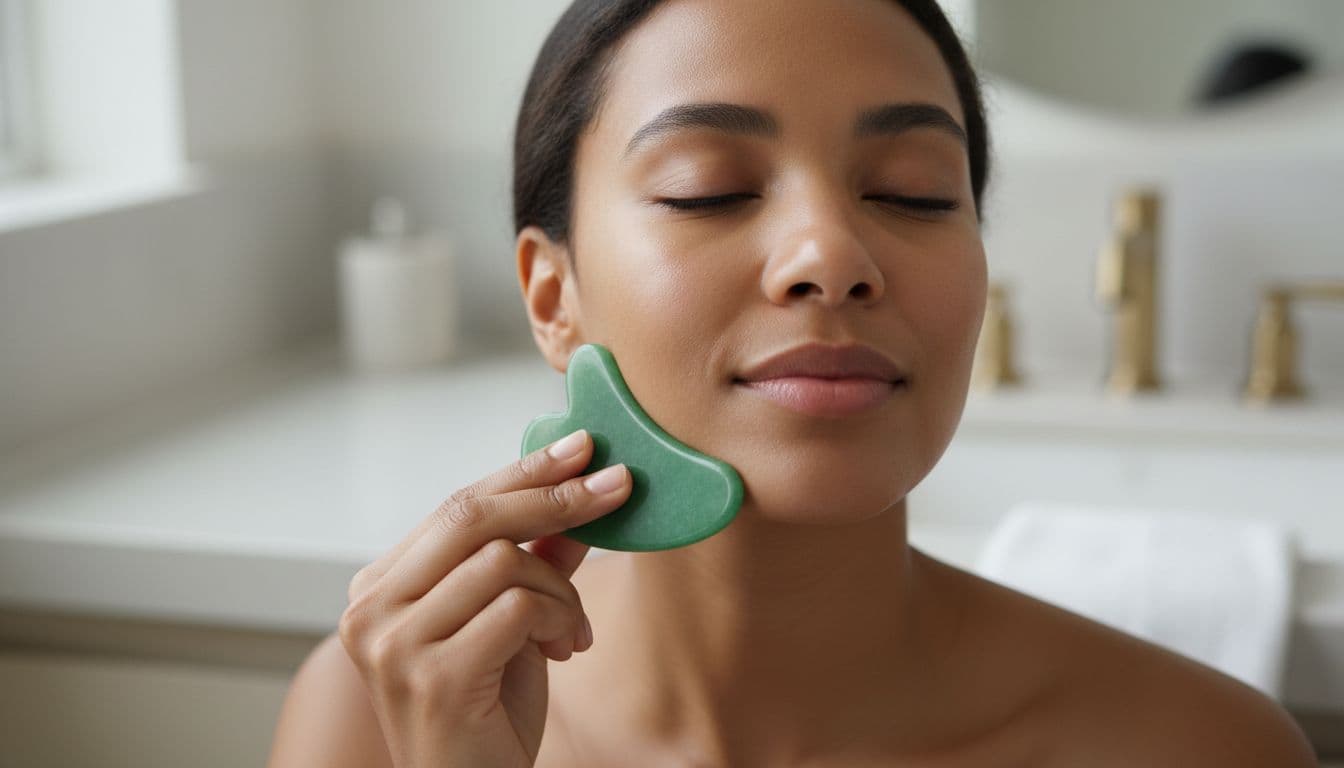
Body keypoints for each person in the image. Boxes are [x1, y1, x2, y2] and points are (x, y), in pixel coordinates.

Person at [267, 1, 1319, 765]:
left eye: (913, 195)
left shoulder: (1197, 748)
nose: (833, 253)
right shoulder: (385, 715)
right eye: (706, 189)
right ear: (553, 298)